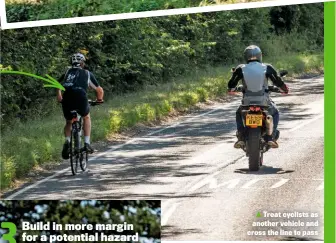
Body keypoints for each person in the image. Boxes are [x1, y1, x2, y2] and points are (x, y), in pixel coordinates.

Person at [227, 45, 289, 149]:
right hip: (264, 102)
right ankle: (270, 137)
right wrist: (285, 90)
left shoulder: (240, 68)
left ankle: (241, 136)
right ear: (260, 56)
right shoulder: (267, 67)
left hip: (247, 103)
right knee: (275, 113)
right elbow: (278, 81)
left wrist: (232, 90)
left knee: (239, 113)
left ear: (245, 56)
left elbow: (231, 84)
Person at [56, 53, 104, 159]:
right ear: (82, 63)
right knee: (86, 117)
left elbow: (56, 84)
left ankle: (68, 142)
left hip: (67, 97)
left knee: (69, 121)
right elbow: (99, 89)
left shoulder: (67, 72)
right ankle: (86, 143)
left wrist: (59, 96)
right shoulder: (86, 73)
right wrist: (99, 100)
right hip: (80, 96)